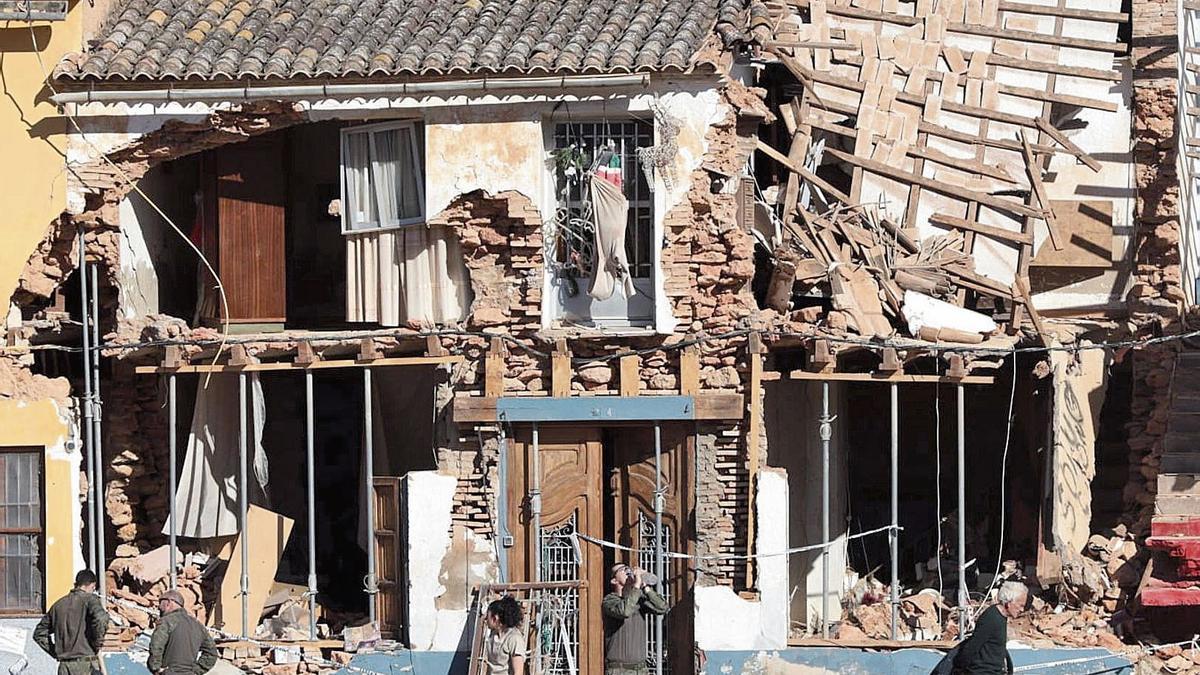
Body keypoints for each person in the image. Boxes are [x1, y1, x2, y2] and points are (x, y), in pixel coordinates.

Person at [34, 569, 109, 675]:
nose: (93, 590)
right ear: (91, 585)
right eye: (93, 588)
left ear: (76, 584)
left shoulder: (58, 605)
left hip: (64, 667)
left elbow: (39, 634)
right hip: (86, 665)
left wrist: (55, 652)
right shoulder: (90, 600)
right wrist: (97, 643)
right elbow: (102, 618)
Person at [602, 564, 668, 675]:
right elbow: (625, 611)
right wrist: (636, 586)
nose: (628, 571)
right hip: (619, 670)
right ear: (614, 580)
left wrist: (645, 587)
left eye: (628, 568)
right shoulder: (610, 601)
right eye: (622, 570)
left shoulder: (638, 599)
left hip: (641, 669)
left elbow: (662, 607)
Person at [952, 581, 1028, 675]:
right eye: (1021, 605)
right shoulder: (991, 618)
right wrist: (959, 668)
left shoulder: (1001, 616)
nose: (1022, 610)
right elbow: (973, 646)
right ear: (1009, 602)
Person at [147, 589, 218, 675]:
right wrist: (195, 671)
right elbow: (212, 653)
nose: (159, 607)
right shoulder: (198, 625)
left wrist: (156, 668)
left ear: (168, 602)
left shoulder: (167, 621)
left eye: (161, 602)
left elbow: (156, 646)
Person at [482, 595, 525, 675]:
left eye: (488, 616)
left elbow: (518, 672)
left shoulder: (514, 638)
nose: (485, 619)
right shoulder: (493, 635)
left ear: (495, 618)